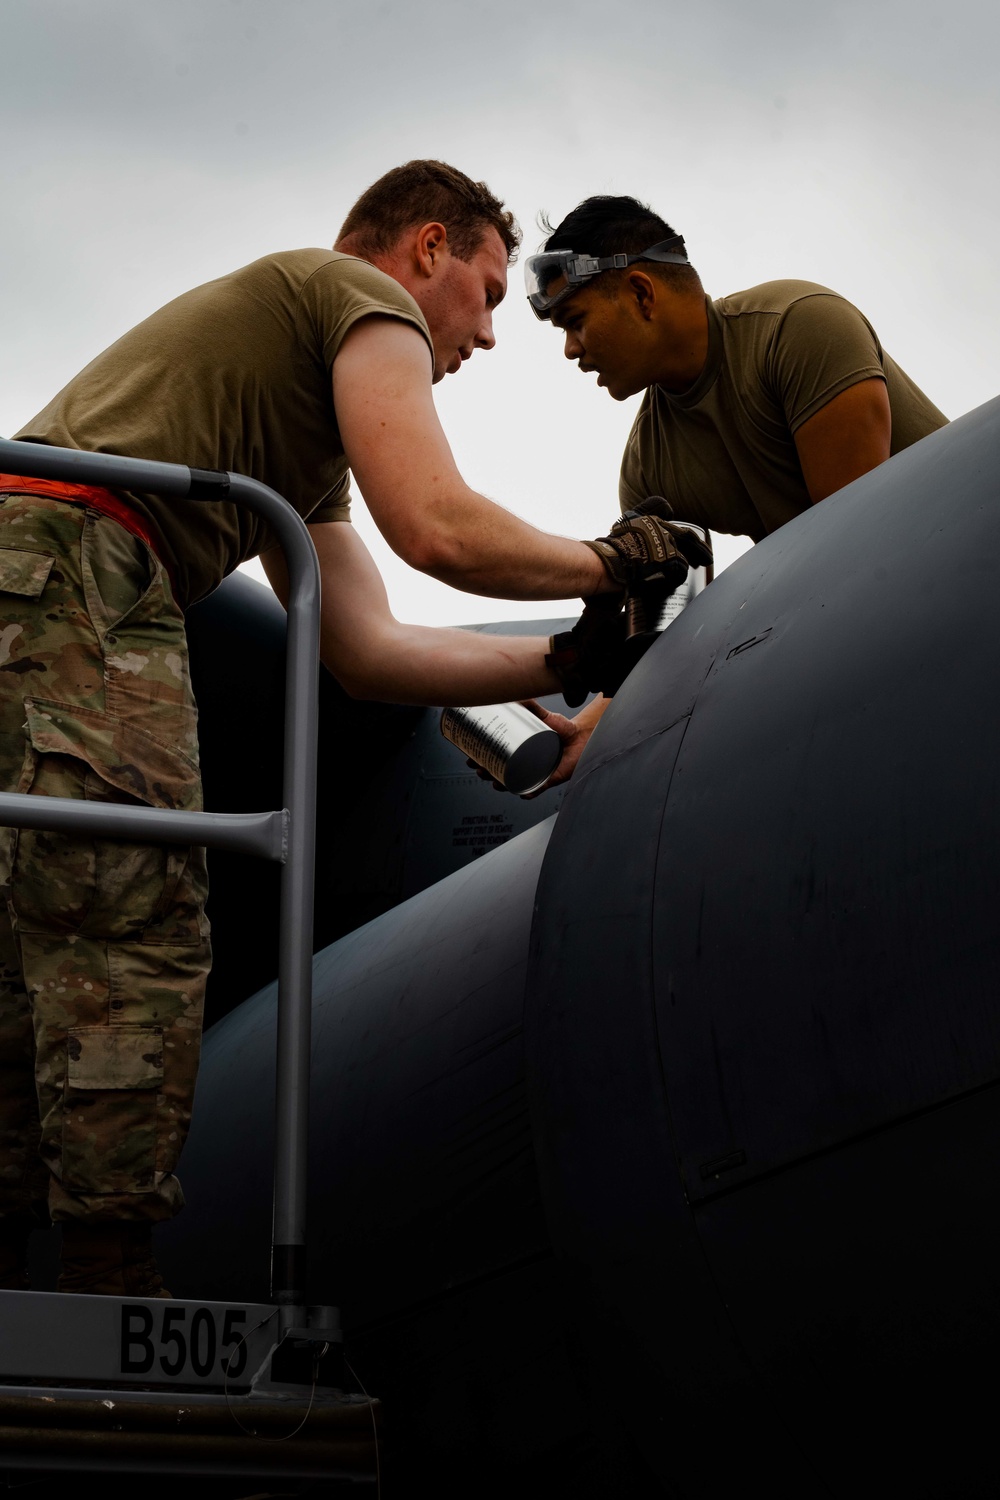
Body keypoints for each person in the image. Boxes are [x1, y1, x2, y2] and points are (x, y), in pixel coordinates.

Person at [0, 162, 696, 1296]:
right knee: (133, 918)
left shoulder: (294, 443)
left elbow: (368, 654)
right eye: (480, 288)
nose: (483, 332)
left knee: (31, 943)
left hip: (35, 579)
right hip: (77, 568)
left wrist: (566, 662)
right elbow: (437, 528)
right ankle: (106, 1281)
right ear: (426, 250)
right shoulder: (353, 299)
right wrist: (609, 562)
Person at [523, 193, 949, 782]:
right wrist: (593, 726)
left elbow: (854, 563)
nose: (571, 349)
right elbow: (668, 636)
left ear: (642, 294)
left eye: (575, 322)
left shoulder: (799, 328)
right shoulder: (648, 470)